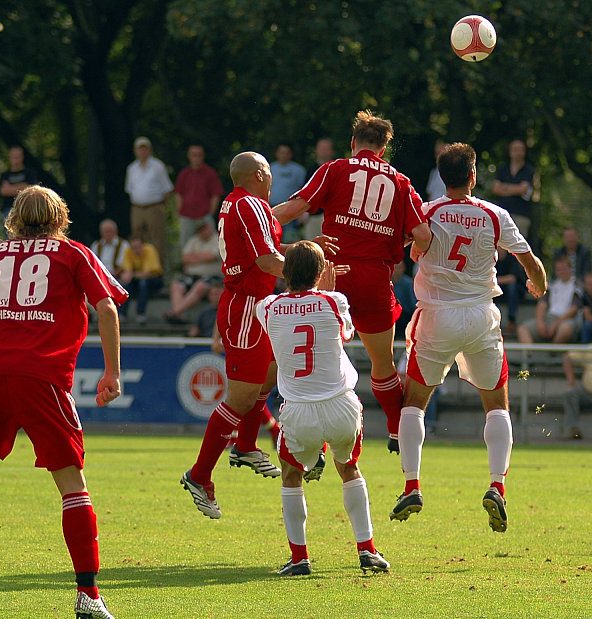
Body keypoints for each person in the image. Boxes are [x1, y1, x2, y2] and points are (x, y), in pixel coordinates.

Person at [0, 185, 127, 619]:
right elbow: (107, 308)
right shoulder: (73, 254)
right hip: (42, 378)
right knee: (72, 486)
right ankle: (88, 595)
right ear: (60, 217)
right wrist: (112, 372)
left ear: (14, 218)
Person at [391, 142, 547, 531]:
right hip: (480, 316)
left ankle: (411, 485)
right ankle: (497, 486)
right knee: (496, 405)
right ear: (473, 176)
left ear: (442, 177)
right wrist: (539, 284)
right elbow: (529, 261)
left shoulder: (427, 211)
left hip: (436, 316)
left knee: (414, 404)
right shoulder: (495, 214)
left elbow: (395, 247)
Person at [274, 110, 431, 453]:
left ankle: (315, 443)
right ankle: (396, 431)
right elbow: (423, 235)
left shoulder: (335, 169)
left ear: (353, 143)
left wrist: (258, 221)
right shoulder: (400, 182)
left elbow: (294, 208)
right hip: (374, 278)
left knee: (321, 361)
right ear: (383, 149)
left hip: (332, 275)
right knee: (383, 364)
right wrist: (400, 243)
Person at [257, 241, 389, 576]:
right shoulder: (335, 301)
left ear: (286, 273)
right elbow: (345, 334)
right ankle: (367, 550)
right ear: (320, 273)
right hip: (340, 405)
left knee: (291, 475)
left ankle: (299, 557)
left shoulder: (268, 307)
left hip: (298, 410)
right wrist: (326, 291)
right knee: (349, 468)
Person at [179, 152, 287, 520]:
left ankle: (246, 445)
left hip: (255, 304)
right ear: (259, 174)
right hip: (247, 307)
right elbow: (268, 262)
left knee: (269, 373)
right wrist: (310, 270)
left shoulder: (239, 204)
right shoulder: (249, 204)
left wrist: (305, 251)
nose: (271, 179)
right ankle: (199, 475)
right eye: (268, 173)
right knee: (239, 399)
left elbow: (269, 253)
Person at [124, 136, 174, 270]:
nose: (142, 152)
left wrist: (161, 207)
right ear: (135, 151)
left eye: (145, 149)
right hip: (137, 208)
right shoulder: (131, 168)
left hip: (154, 207)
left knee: (157, 240)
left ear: (150, 150)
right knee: (137, 239)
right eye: (140, 149)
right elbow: (130, 189)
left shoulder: (158, 166)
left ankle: (158, 271)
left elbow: (167, 189)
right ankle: (140, 270)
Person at [166, 217, 223, 324]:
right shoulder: (194, 240)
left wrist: (194, 257)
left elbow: (212, 256)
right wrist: (202, 257)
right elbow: (184, 258)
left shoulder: (218, 239)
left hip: (212, 277)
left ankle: (175, 312)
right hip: (192, 276)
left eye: (204, 228)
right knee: (176, 285)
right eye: (200, 229)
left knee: (200, 285)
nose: (202, 231)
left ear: (209, 227)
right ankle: (178, 315)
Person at [518, 255, 582, 344]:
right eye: (559, 269)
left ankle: (553, 351)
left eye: (564, 269)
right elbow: (542, 304)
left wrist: (556, 323)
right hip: (549, 318)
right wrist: (540, 322)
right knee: (523, 329)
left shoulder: (577, 285)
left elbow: (574, 309)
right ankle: (530, 352)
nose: (561, 272)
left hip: (567, 320)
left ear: (570, 269)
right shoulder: (552, 285)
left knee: (565, 329)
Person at [174, 144, 224, 250]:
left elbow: (216, 194)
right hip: (187, 216)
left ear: (203, 156)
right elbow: (178, 194)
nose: (196, 158)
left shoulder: (210, 173)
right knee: (185, 246)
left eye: (199, 155)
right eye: (194, 155)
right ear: (189, 156)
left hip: (204, 216)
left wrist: (210, 212)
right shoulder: (184, 174)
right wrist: (180, 210)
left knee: (211, 244)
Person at [491, 139, 535, 237]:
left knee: (518, 243)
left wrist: (504, 187)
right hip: (502, 213)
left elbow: (523, 189)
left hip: (521, 214)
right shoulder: (503, 168)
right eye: (515, 149)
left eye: (520, 149)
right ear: (510, 151)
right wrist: (515, 189)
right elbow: (495, 189)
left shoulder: (529, 170)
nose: (517, 152)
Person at [118, 237, 164, 324]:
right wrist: (129, 275)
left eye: (138, 247)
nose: (136, 250)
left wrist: (131, 274)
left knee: (143, 283)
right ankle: (122, 314)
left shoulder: (150, 250)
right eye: (134, 248)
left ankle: (141, 313)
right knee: (125, 285)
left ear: (143, 245)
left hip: (154, 279)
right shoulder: (128, 252)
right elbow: (127, 272)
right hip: (137, 280)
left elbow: (147, 273)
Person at [270, 143, 307, 243]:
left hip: (291, 210)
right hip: (272, 209)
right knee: (273, 239)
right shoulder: (269, 168)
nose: (284, 155)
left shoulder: (299, 170)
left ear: (291, 154)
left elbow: (303, 191)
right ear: (276, 153)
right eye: (281, 152)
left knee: (290, 240)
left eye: (287, 153)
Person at [301, 138, 336, 241]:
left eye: (326, 148)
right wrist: (303, 212)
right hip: (314, 216)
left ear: (332, 151)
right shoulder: (311, 170)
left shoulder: (338, 170)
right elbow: (305, 192)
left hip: (332, 216)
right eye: (321, 148)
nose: (323, 151)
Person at [0, 145, 38, 221]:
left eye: (18, 157)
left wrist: (10, 188)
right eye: (13, 157)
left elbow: (32, 190)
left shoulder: (30, 173)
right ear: (9, 157)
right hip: (9, 209)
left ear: (22, 157)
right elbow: (3, 191)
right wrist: (22, 186)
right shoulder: (5, 175)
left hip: (27, 208)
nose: (16, 159)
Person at [494, 247, 526, 335]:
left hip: (516, 291)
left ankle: (512, 320)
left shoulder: (512, 258)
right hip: (499, 289)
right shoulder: (492, 259)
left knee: (512, 288)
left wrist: (495, 280)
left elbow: (512, 278)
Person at [392, 261, 417, 339]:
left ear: (403, 268)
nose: (396, 270)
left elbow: (413, 305)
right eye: (394, 267)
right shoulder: (383, 283)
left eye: (398, 268)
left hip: (404, 318)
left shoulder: (408, 283)